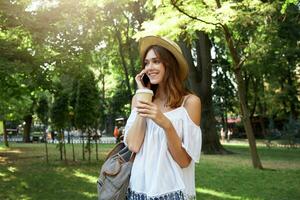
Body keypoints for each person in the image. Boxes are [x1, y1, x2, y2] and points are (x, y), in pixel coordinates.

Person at [124, 35, 202, 200]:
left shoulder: (189, 103)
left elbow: (184, 161)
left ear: (170, 64)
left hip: (173, 193)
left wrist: (166, 124)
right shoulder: (139, 99)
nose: (149, 67)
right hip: (137, 191)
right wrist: (144, 95)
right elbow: (134, 145)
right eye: (146, 63)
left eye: (156, 61)